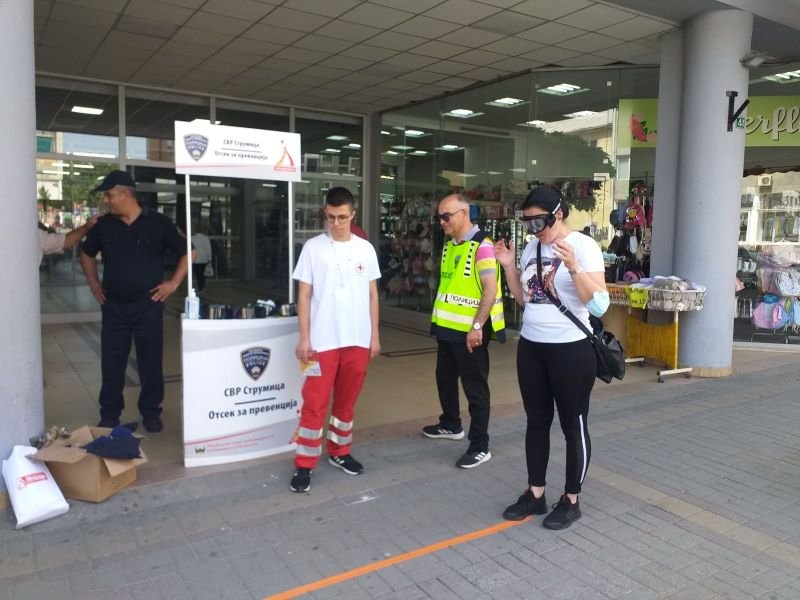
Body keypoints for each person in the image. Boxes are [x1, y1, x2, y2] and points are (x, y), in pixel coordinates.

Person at [494, 187, 609, 530]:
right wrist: (508, 267)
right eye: (527, 222)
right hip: (532, 347)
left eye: (539, 221)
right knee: (536, 421)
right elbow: (526, 299)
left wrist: (574, 266)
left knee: (573, 424)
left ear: (558, 214)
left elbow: (599, 305)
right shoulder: (532, 248)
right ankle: (536, 493)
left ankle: (571, 499)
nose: (533, 230)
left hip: (571, 349)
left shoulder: (584, 246)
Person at [80, 171, 189, 433]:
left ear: (125, 194)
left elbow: (188, 252)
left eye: (109, 195)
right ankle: (109, 414)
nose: (106, 200)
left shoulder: (159, 223)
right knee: (112, 362)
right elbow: (86, 253)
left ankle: (151, 412)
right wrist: (94, 283)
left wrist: (173, 283)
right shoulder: (104, 226)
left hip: (148, 306)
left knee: (150, 362)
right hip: (114, 306)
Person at [290, 186, 381, 493]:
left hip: (357, 339)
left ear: (352, 215)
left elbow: (372, 294)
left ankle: (340, 451)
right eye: (330, 217)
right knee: (314, 403)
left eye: (342, 217)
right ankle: (305, 463)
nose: (336, 223)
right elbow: (304, 294)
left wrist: (374, 335)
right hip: (322, 341)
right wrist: (304, 338)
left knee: (346, 402)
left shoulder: (365, 249)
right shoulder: (313, 248)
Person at [423, 193, 505, 469]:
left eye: (446, 216)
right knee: (444, 378)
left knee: (475, 389)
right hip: (447, 328)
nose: (442, 222)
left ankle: (480, 445)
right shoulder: (450, 246)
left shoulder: (483, 246)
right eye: (439, 217)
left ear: (464, 214)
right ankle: (450, 423)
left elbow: (490, 289)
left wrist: (478, 326)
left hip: (470, 333)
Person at [191, 226, 212, 292]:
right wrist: (210, 258)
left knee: (198, 274)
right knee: (202, 273)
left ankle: (200, 287)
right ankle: (202, 286)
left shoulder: (192, 238)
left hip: (195, 258)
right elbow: (208, 248)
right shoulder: (206, 238)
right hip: (204, 259)